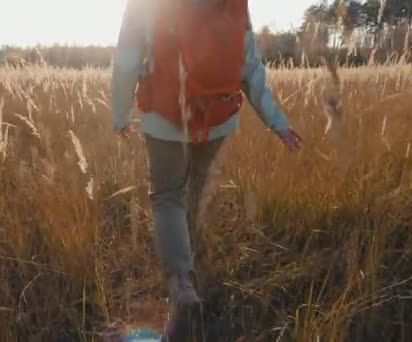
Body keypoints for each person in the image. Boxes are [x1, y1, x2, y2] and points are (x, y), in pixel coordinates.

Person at [111, 0, 302, 339]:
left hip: (163, 114)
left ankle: (182, 281)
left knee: (168, 195)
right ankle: (192, 250)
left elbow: (126, 58)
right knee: (197, 185)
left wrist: (120, 113)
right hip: (217, 118)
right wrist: (277, 122)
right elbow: (250, 66)